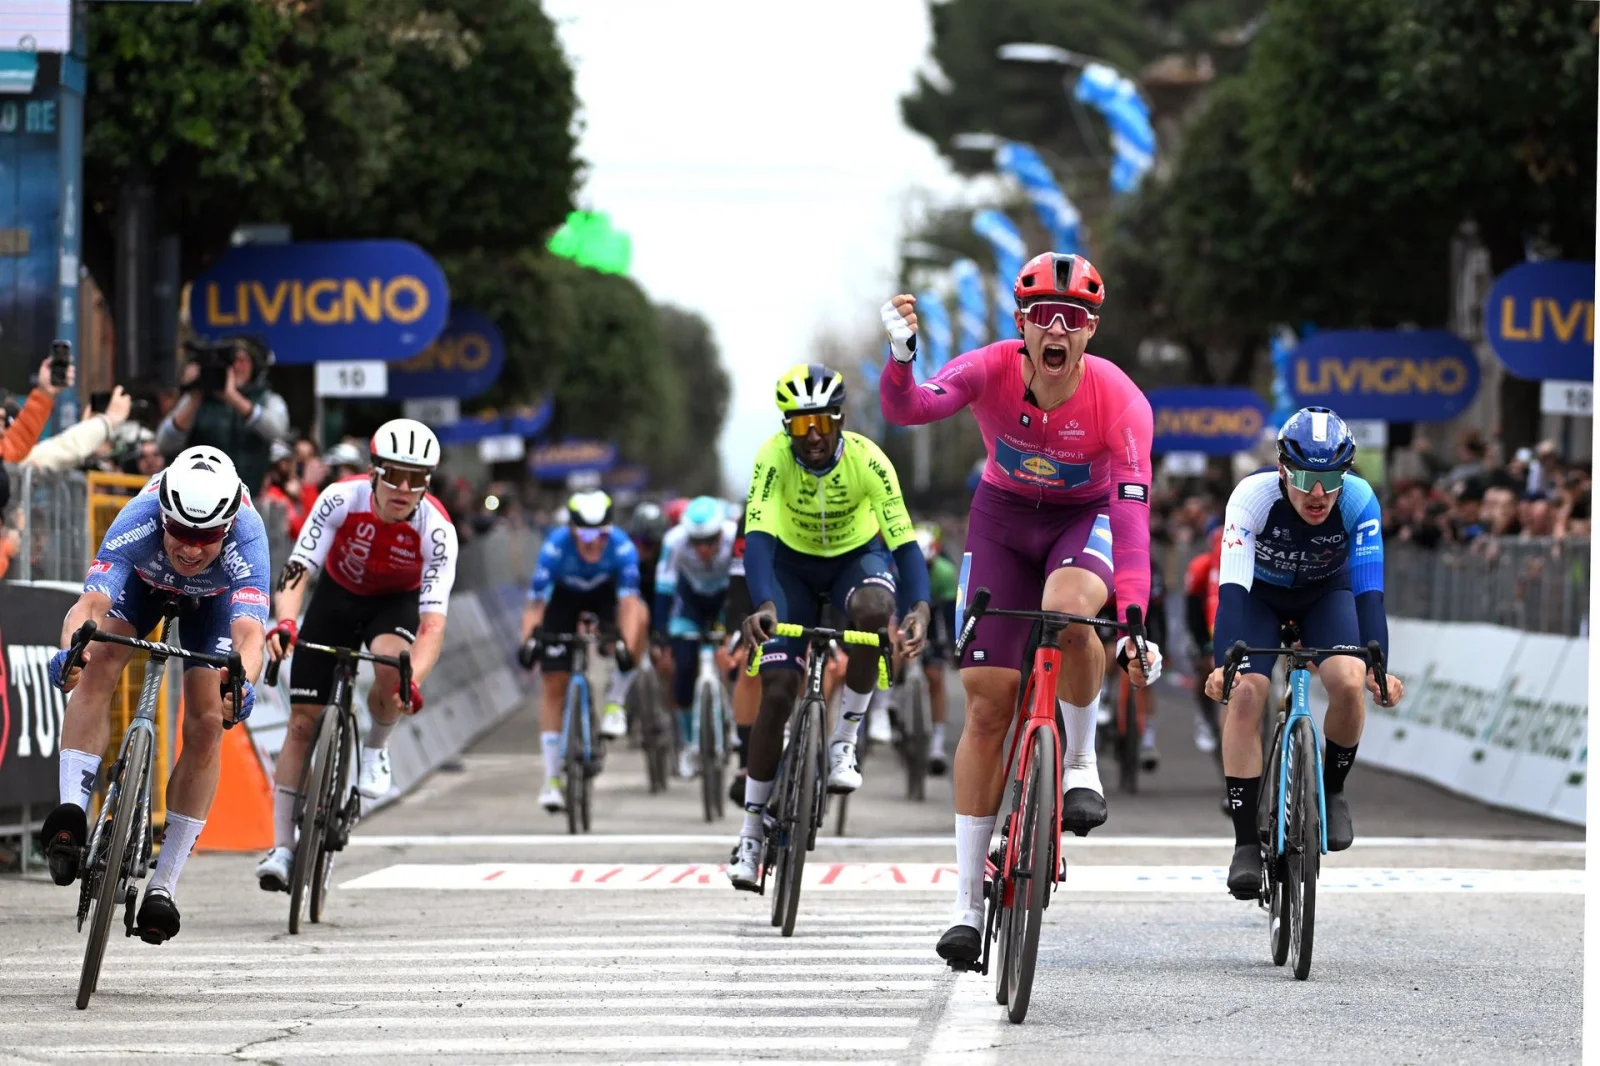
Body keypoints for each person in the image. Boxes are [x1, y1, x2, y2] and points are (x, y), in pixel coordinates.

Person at [877, 251, 1161, 964]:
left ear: (1092, 330)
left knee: (1068, 613)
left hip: (1084, 518)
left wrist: (1131, 618)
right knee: (984, 707)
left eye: (1074, 318)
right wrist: (902, 357)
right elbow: (908, 408)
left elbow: (1131, 521)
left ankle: (1080, 764)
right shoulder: (989, 367)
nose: (1056, 329)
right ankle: (967, 906)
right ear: (1022, 325)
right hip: (1001, 519)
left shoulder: (1121, 400)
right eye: (1043, 316)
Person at [39, 447, 268, 942]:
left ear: (226, 527)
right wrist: (71, 649)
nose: (190, 549)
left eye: (205, 538)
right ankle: (71, 814)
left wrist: (241, 681)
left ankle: (163, 886)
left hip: (215, 604)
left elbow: (251, 634)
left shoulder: (248, 537)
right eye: (180, 532)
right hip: (142, 585)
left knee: (208, 720)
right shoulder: (139, 516)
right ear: (163, 513)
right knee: (97, 661)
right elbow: (91, 603)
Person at [725, 363, 932, 889]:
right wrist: (766, 603)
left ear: (839, 420)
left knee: (870, 614)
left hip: (854, 560)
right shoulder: (772, 459)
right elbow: (760, 540)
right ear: (786, 427)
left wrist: (920, 607)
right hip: (790, 568)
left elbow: (905, 545)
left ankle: (844, 739)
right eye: (798, 425)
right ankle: (751, 834)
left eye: (821, 423)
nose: (811, 436)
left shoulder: (869, 459)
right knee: (775, 691)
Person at [1202, 406, 1406, 899]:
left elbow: (1369, 594)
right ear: (1282, 470)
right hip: (1258, 597)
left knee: (1350, 682)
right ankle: (1246, 841)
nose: (1319, 494)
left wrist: (1379, 666)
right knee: (1248, 693)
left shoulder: (1358, 501)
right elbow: (1231, 590)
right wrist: (1223, 663)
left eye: (1331, 476)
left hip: (1324, 595)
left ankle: (1332, 791)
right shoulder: (1251, 497)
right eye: (1306, 478)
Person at [254, 418, 458, 891]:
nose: (405, 488)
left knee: (392, 665)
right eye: (395, 475)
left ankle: (376, 749)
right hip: (338, 596)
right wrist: (285, 621)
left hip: (395, 605)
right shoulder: (340, 499)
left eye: (418, 479)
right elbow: (297, 570)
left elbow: (432, 625)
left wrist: (413, 682)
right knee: (302, 722)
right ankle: (283, 848)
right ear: (374, 471)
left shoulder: (438, 529)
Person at [518, 490, 649, 812]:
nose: (594, 543)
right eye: (586, 534)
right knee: (553, 684)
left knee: (638, 624)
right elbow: (536, 603)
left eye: (601, 534)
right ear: (573, 530)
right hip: (564, 598)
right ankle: (551, 780)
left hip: (604, 596)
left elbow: (630, 604)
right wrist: (528, 641)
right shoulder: (555, 547)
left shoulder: (621, 547)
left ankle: (615, 702)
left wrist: (625, 649)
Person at [655, 496, 739, 779]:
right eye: (696, 541)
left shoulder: (733, 535)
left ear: (720, 532)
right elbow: (663, 589)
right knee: (685, 666)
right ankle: (691, 744)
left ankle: (738, 722)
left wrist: (734, 630)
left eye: (709, 541)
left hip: (727, 600)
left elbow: (746, 583)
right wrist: (662, 637)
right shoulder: (674, 541)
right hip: (689, 603)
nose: (703, 548)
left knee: (738, 662)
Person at [157, 337, 288, 500]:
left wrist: (233, 397)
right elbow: (164, 444)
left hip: (249, 498)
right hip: (200, 498)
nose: (237, 367)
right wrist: (195, 396)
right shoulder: (198, 400)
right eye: (232, 361)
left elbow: (277, 430)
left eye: (243, 360)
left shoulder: (266, 398)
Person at [915, 522, 959, 774]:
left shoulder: (943, 572)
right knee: (895, 653)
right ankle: (885, 704)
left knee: (935, 677)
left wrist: (954, 646)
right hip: (906, 611)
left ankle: (937, 742)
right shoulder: (900, 567)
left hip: (932, 617)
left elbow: (948, 616)